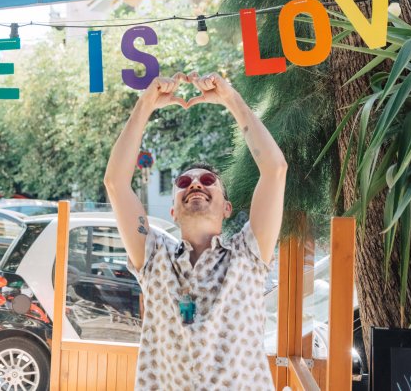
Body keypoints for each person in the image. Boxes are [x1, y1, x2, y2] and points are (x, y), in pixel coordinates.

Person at [104, 71, 287, 390]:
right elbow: (116, 183)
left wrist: (230, 99)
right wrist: (145, 105)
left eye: (207, 181)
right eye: (184, 182)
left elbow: (274, 169)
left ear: (227, 208)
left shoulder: (248, 257)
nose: (196, 184)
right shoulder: (154, 258)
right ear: (172, 211)